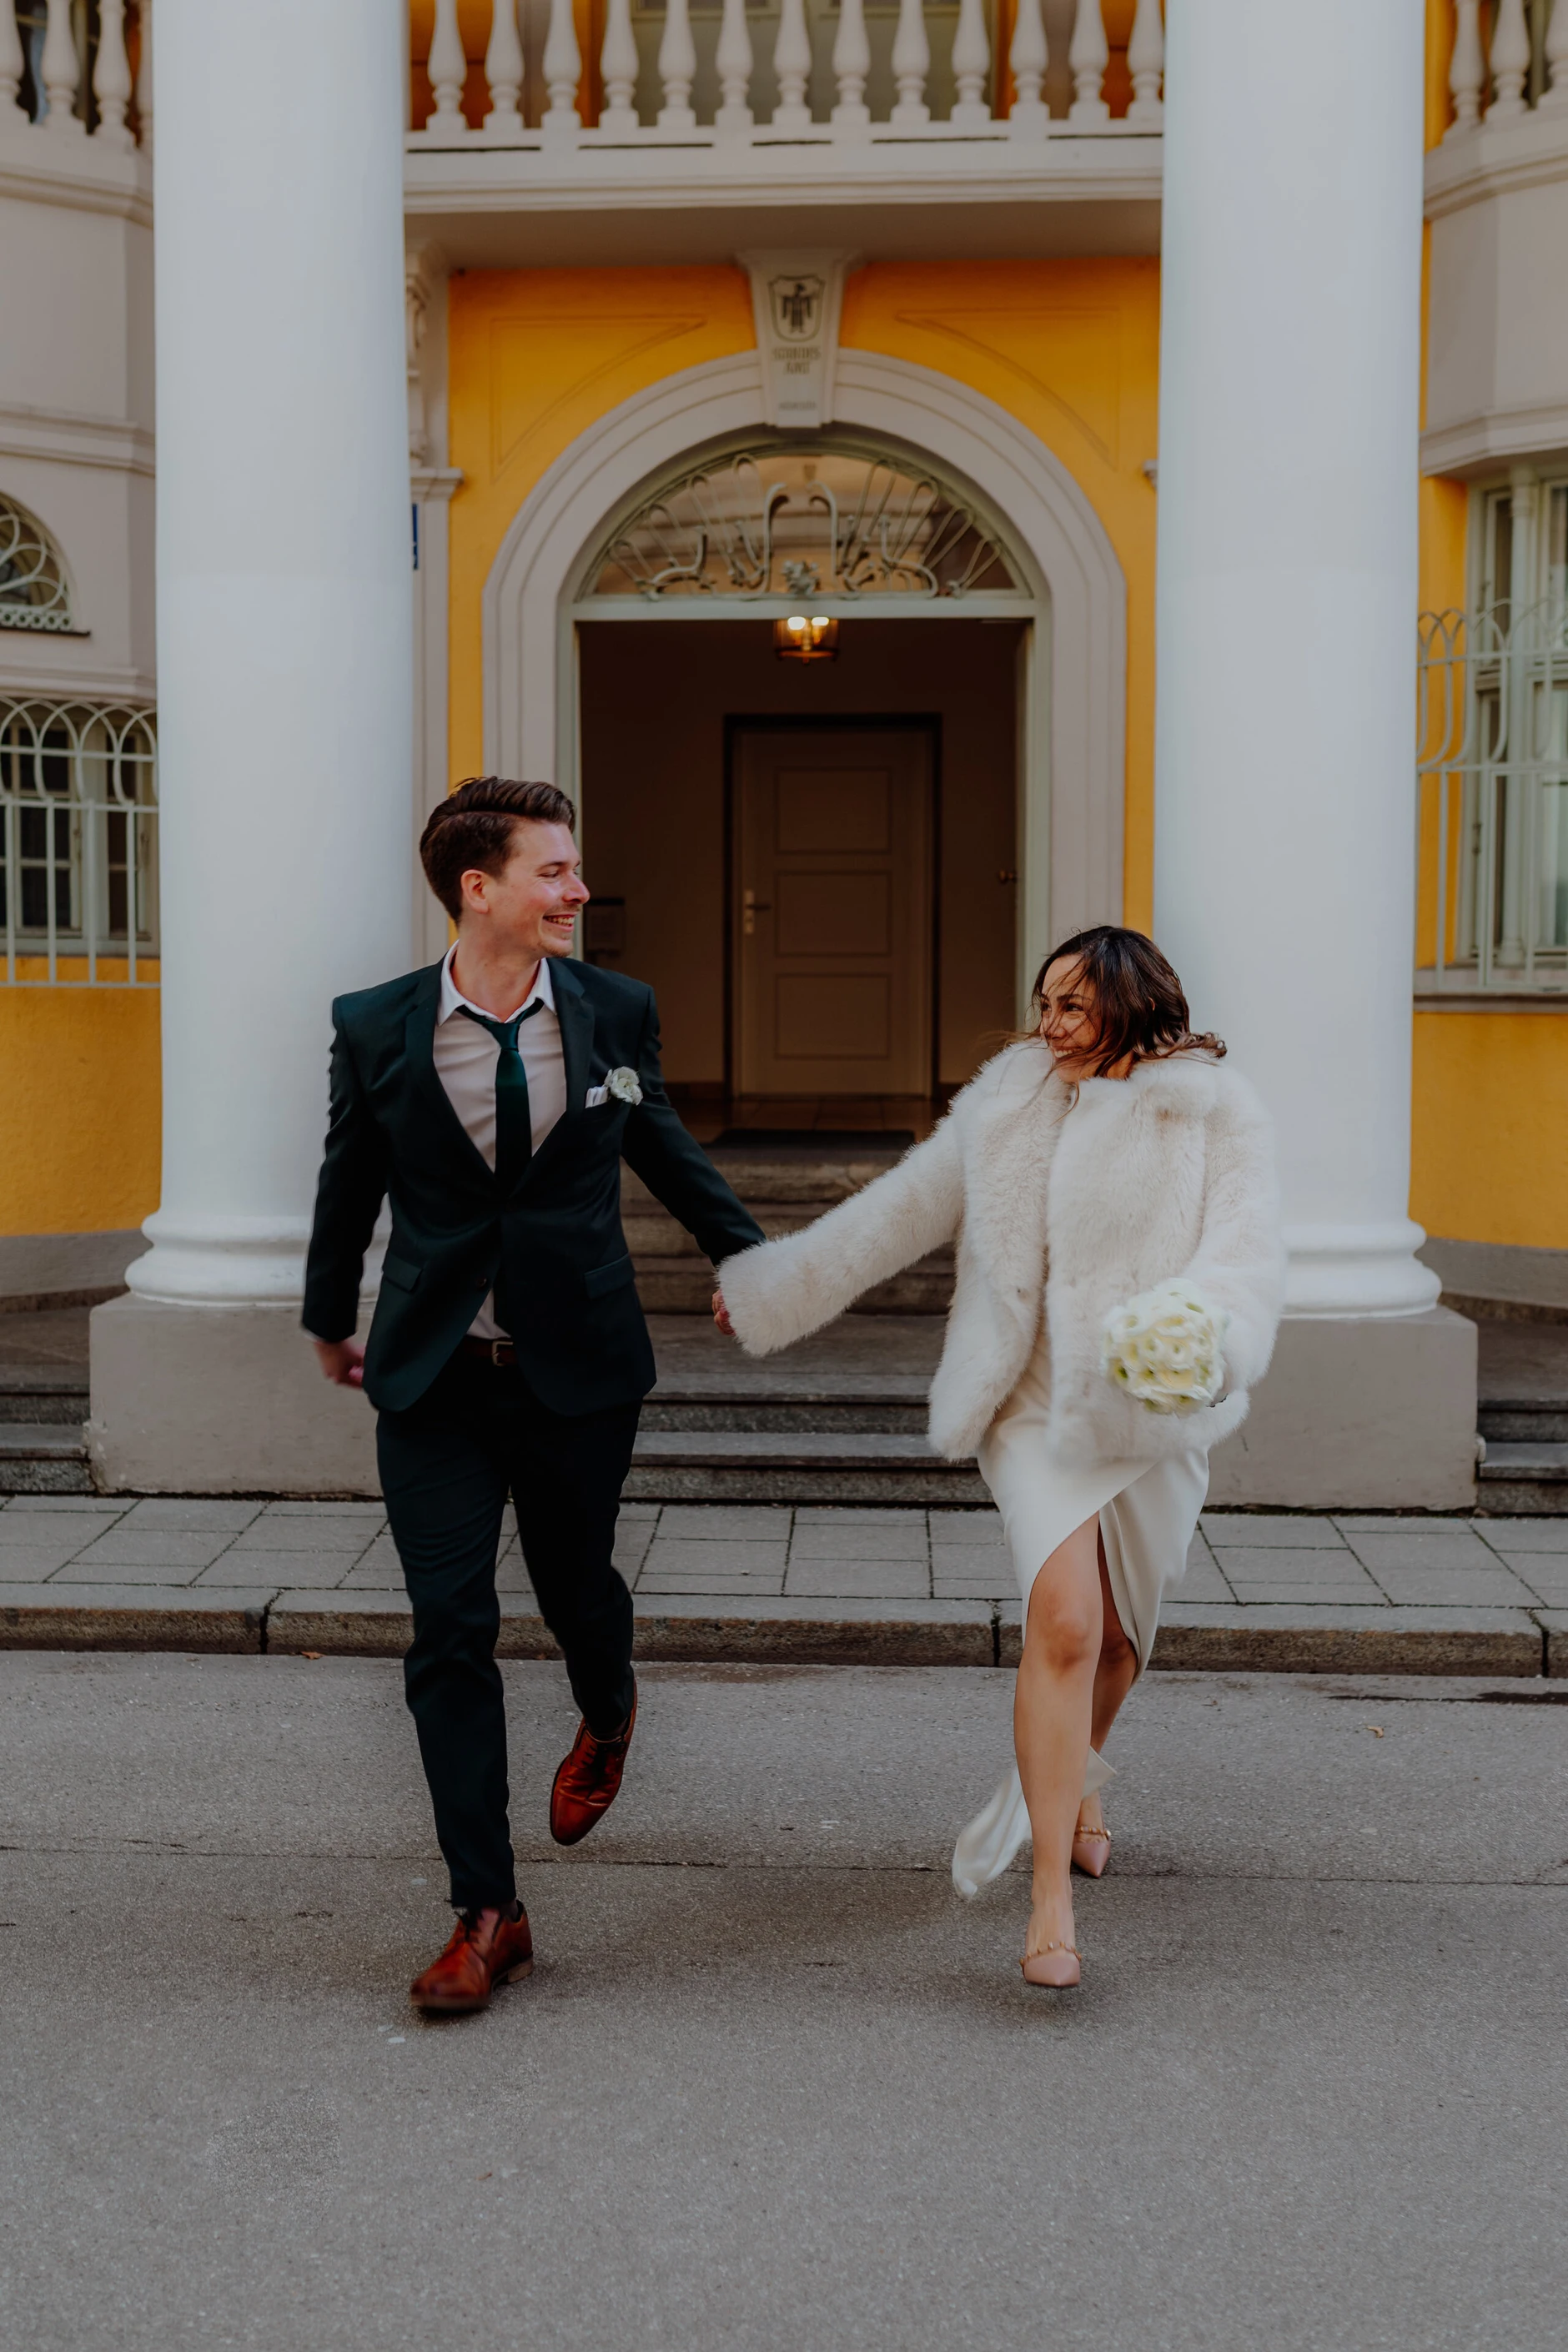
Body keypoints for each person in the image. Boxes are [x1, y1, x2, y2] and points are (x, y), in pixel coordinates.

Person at [713, 927, 1284, 1989]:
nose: (1049, 1026)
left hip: (1146, 1407)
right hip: (1028, 1404)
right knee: (1065, 1623)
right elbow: (894, 1214)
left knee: (1118, 1645)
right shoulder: (1006, 1100)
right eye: (1043, 1003)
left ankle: (1080, 1779)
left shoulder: (1208, 1109)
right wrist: (766, 1289)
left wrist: (1202, 1340)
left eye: (1073, 1007)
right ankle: (1048, 1905)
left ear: (1132, 1006)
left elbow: (1243, 1261)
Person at [304, 776, 764, 2015]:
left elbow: (661, 1142)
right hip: (434, 1375)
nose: (578, 890)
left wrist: (752, 1259)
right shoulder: (377, 1023)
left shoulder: (614, 1011)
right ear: (481, 888)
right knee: (448, 1631)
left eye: (574, 871)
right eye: (555, 872)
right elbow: (348, 1179)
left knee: (575, 1588)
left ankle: (607, 1709)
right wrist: (326, 1317)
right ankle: (486, 1911)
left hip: (578, 1367)